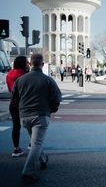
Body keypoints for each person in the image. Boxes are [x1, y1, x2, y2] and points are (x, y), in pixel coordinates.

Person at [10, 54, 62, 185]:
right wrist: (52, 109)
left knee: (35, 142)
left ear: (30, 64)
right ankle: (27, 172)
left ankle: (43, 159)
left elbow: (14, 99)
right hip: (41, 115)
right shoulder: (47, 80)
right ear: (42, 64)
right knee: (36, 144)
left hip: (24, 116)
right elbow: (57, 97)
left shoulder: (20, 80)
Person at [6, 56, 29, 157]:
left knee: (16, 126)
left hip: (13, 103)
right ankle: (32, 143)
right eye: (27, 62)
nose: (28, 64)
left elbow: (10, 90)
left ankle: (16, 149)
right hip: (25, 103)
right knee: (30, 124)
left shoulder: (9, 75)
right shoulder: (25, 75)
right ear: (23, 64)